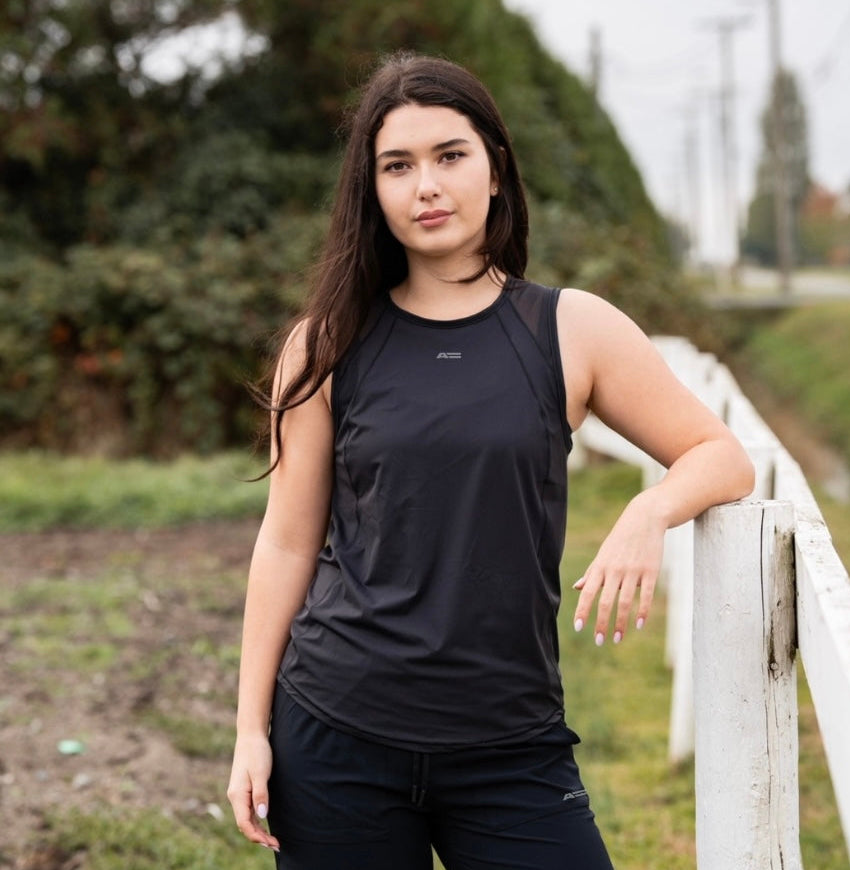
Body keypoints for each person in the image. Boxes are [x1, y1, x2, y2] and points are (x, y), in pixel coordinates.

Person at [226, 52, 755, 869]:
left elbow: (721, 455)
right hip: (337, 736)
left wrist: (647, 512)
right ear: (372, 191)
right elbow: (287, 544)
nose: (425, 185)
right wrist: (249, 732)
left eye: (450, 155)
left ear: (497, 170)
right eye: (397, 166)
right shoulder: (327, 345)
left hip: (511, 743)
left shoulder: (571, 330)